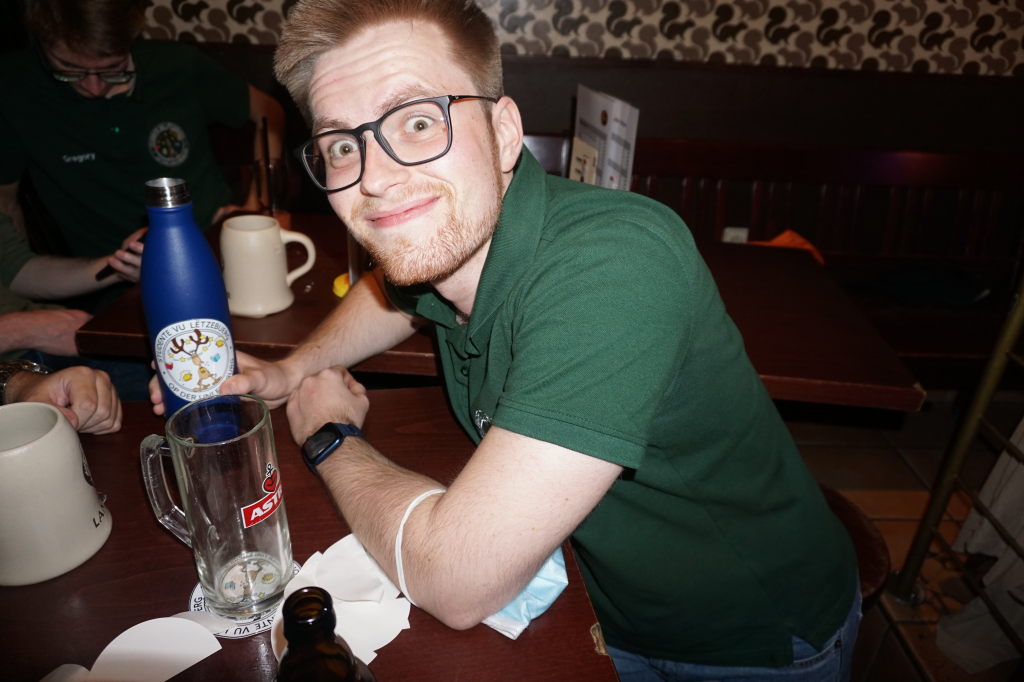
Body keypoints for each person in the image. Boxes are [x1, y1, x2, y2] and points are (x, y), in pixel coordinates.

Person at [154, 1, 861, 679]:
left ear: (502, 132)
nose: (378, 179)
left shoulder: (617, 264)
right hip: (597, 603)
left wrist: (329, 435)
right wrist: (292, 371)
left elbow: (458, 581)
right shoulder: (453, 244)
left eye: (418, 122)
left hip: (748, 637)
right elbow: (391, 291)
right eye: (343, 145)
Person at [0, 0, 286, 266]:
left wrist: (256, 204)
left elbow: (268, 112)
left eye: (113, 69)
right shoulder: (14, 86)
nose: (93, 87)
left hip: (216, 246)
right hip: (110, 276)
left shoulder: (177, 66)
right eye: (69, 69)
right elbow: (7, 204)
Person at [2, 207, 143, 410]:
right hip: (20, 356)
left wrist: (120, 266)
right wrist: (16, 331)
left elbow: (18, 270)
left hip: (55, 337)